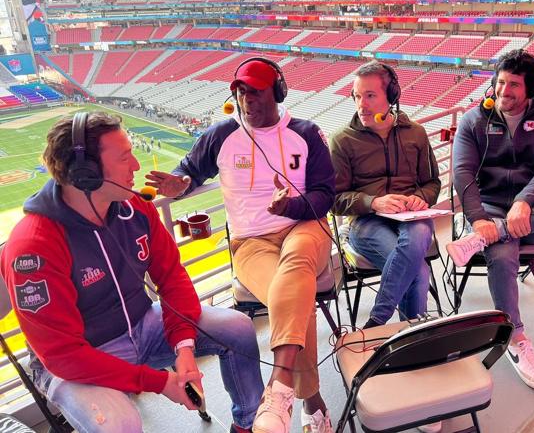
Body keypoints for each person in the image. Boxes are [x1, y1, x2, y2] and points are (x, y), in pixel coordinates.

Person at [0, 112, 263, 433]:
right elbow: (62, 355)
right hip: (76, 360)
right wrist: (159, 381)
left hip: (143, 326)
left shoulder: (136, 208)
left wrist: (184, 347)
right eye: (125, 157)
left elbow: (171, 278)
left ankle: (249, 425)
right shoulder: (34, 245)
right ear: (86, 173)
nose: (136, 166)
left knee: (237, 327)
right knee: (118, 425)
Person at [145, 58, 336, 433]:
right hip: (250, 242)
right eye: (242, 91)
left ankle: (278, 388)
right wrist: (179, 182)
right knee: (294, 298)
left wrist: (290, 206)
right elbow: (190, 170)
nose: (248, 99)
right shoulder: (220, 135)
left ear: (277, 92)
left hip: (304, 225)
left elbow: (325, 195)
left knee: (295, 266)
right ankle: (311, 401)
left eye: (257, 91)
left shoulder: (307, 133)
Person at [448, 50, 534, 392]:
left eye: (513, 85)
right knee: (502, 253)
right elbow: (462, 172)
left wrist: (524, 202)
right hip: (489, 209)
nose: (503, 91)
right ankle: (516, 338)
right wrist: (480, 219)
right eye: (499, 82)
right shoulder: (473, 119)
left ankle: (494, 235)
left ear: (532, 89)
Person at [329, 60, 442, 433]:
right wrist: (373, 202)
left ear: (391, 95)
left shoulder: (417, 133)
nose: (361, 103)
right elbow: (335, 199)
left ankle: (375, 328)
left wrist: (419, 200)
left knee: (418, 240)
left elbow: (432, 183)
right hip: (366, 224)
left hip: (412, 221)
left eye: (370, 95)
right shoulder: (342, 140)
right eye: (357, 95)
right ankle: (411, 347)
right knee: (419, 267)